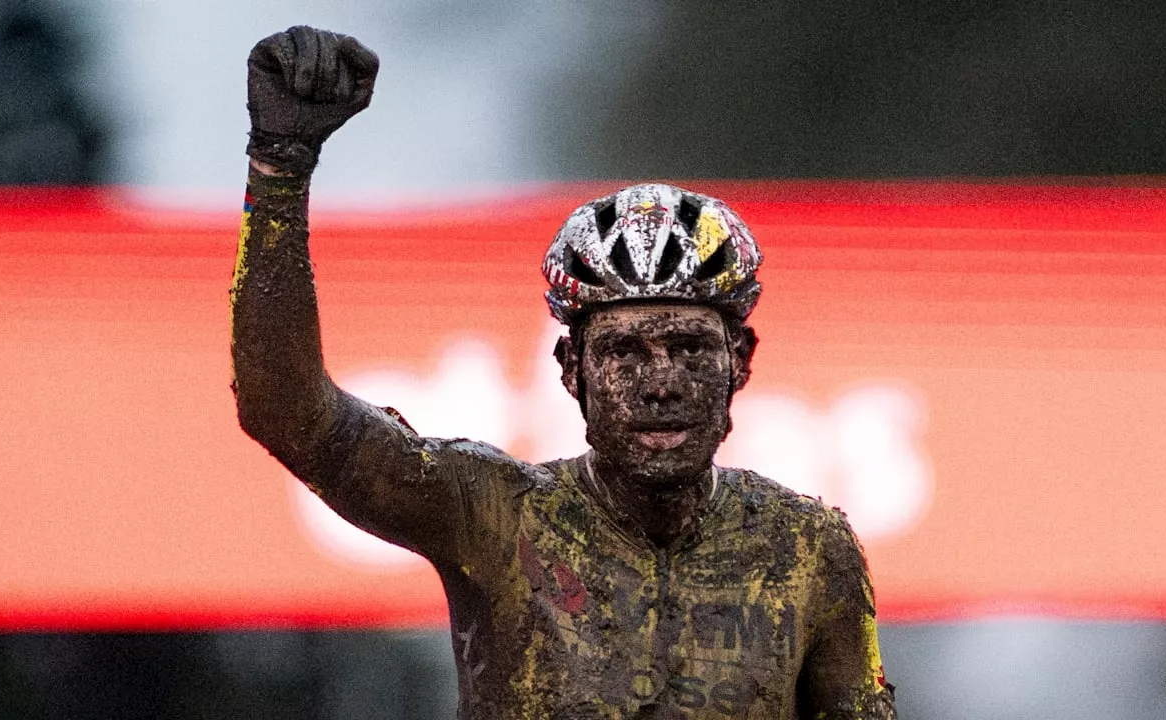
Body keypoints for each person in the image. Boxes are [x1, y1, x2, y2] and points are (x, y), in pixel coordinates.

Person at [231, 25, 897, 720]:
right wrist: (280, 169)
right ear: (570, 370)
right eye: (624, 352)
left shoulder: (812, 549)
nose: (662, 382)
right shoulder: (493, 515)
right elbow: (286, 413)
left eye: (691, 349)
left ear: (741, 363)